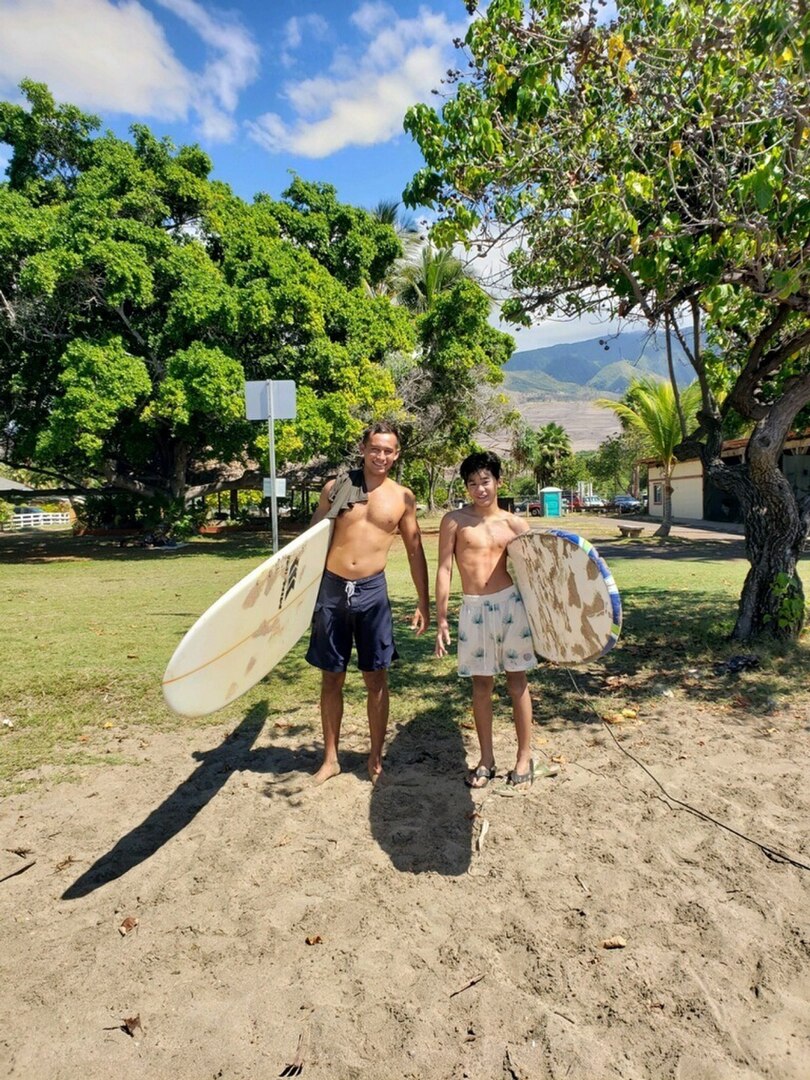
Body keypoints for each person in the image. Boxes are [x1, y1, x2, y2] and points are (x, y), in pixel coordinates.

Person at [306, 421, 430, 784]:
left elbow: (414, 550)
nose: (381, 456)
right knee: (332, 677)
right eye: (375, 448)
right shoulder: (336, 488)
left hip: (372, 592)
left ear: (397, 454)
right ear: (363, 448)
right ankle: (330, 759)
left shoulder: (402, 498)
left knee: (376, 678)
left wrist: (423, 602)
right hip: (332, 588)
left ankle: (375, 759)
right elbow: (312, 540)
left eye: (388, 450)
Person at [434, 450, 537, 788]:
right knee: (481, 685)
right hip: (474, 609)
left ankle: (524, 756)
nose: (480, 489)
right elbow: (445, 568)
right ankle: (486, 759)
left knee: (517, 682)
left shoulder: (515, 524)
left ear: (498, 482)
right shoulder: (455, 520)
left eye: (485, 481)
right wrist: (442, 619)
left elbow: (535, 574)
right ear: (466, 487)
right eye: (473, 483)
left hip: (510, 606)